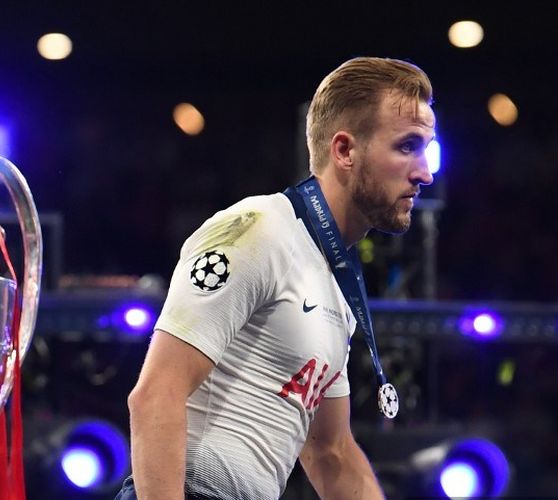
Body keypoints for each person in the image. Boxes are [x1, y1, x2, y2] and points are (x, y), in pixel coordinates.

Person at [118, 56, 436, 499]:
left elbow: (331, 453)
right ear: (344, 150)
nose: (425, 172)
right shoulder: (258, 228)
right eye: (407, 146)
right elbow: (156, 395)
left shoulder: (336, 283)